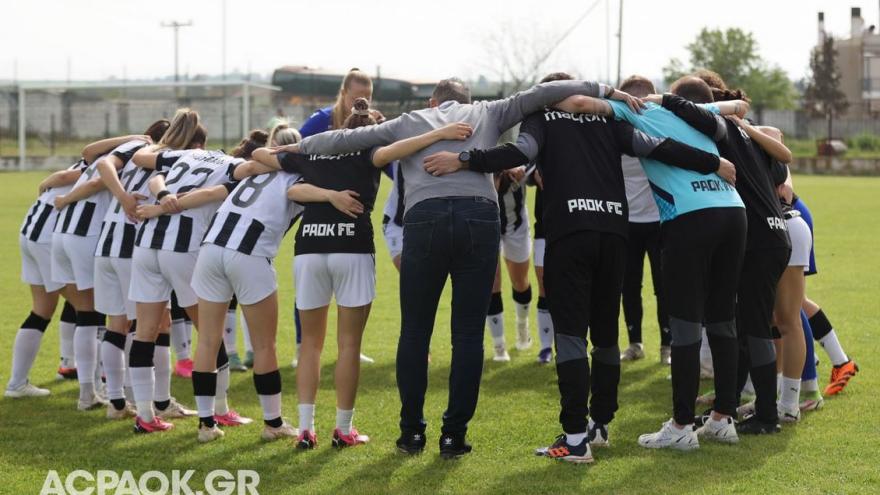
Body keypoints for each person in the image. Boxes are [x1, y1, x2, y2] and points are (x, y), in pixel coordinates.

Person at [277, 76, 642, 458]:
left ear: (434, 102)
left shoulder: (412, 119)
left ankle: (412, 434)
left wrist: (295, 148)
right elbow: (545, 92)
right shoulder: (490, 112)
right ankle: (453, 435)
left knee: (415, 332)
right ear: (467, 99)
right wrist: (607, 91)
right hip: (479, 219)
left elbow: (344, 140)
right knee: (467, 334)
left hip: (424, 220)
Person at [423, 71, 729, 464]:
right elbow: (654, 146)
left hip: (571, 232)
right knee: (605, 335)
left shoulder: (542, 117)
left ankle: (574, 439)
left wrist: (463, 159)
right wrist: (712, 162)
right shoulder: (608, 118)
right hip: (615, 232)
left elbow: (519, 153)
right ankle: (599, 426)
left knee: (570, 336)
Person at [255, 98, 474, 449]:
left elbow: (260, 157)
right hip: (352, 249)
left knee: (309, 344)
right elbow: (402, 147)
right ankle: (343, 429)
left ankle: (306, 430)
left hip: (308, 249)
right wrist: (441, 132)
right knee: (349, 345)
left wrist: (299, 152)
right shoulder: (368, 152)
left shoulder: (314, 151)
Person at [558, 76, 749, 450]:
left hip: (690, 216)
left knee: (685, 325)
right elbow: (737, 108)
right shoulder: (693, 111)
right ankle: (724, 418)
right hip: (733, 211)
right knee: (723, 319)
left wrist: (614, 97)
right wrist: (670, 99)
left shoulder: (636, 109)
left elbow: (578, 104)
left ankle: (680, 427)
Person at [137, 130, 302, 443]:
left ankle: (206, 424)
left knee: (208, 341)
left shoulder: (247, 174)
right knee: (265, 344)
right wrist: (333, 193)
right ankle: (273, 423)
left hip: (210, 250)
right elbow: (302, 195)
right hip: (250, 254)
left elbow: (209, 194)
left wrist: (160, 208)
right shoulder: (298, 178)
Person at [653, 85, 793, 435]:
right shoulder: (746, 135)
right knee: (749, 325)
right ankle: (729, 410)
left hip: (757, 238)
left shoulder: (719, 128)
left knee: (756, 328)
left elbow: (689, 111)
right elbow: (780, 168)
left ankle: (766, 415)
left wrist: (662, 100)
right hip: (775, 233)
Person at [127, 109, 256, 433]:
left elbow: (153, 174)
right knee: (210, 332)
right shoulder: (228, 163)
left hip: (146, 243)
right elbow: (222, 188)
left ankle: (144, 416)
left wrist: (163, 197)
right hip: (183, 250)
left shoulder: (178, 157)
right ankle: (219, 411)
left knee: (144, 331)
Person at [51, 133, 155, 411]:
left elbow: (88, 150)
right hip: (89, 235)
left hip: (63, 233)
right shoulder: (139, 158)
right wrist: (68, 198)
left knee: (90, 316)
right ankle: (117, 394)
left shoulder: (113, 153)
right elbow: (99, 179)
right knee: (114, 319)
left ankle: (93, 391)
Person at [93, 119, 172, 419]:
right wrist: (126, 197)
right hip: (132, 246)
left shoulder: (135, 147)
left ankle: (116, 402)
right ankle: (158, 402)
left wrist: (121, 194)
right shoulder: (167, 156)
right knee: (153, 326)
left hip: (106, 245)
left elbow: (103, 164)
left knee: (116, 325)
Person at [6, 161, 85, 398]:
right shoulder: (112, 161)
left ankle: (17, 384)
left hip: (30, 232)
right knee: (89, 310)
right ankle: (102, 386)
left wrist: (47, 181)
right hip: (49, 238)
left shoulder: (92, 158)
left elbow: (61, 176)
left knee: (42, 309)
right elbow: (65, 177)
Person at [615, 76, 671, 365]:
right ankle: (635, 343)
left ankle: (667, 346)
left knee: (664, 286)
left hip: (660, 220)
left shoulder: (661, 126)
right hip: (627, 222)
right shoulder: (616, 129)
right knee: (629, 285)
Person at [486, 163, 534, 362]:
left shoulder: (515, 169)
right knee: (492, 283)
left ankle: (522, 325)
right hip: (487, 224)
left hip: (516, 224)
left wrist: (522, 168)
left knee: (520, 281)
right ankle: (499, 346)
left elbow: (535, 162)